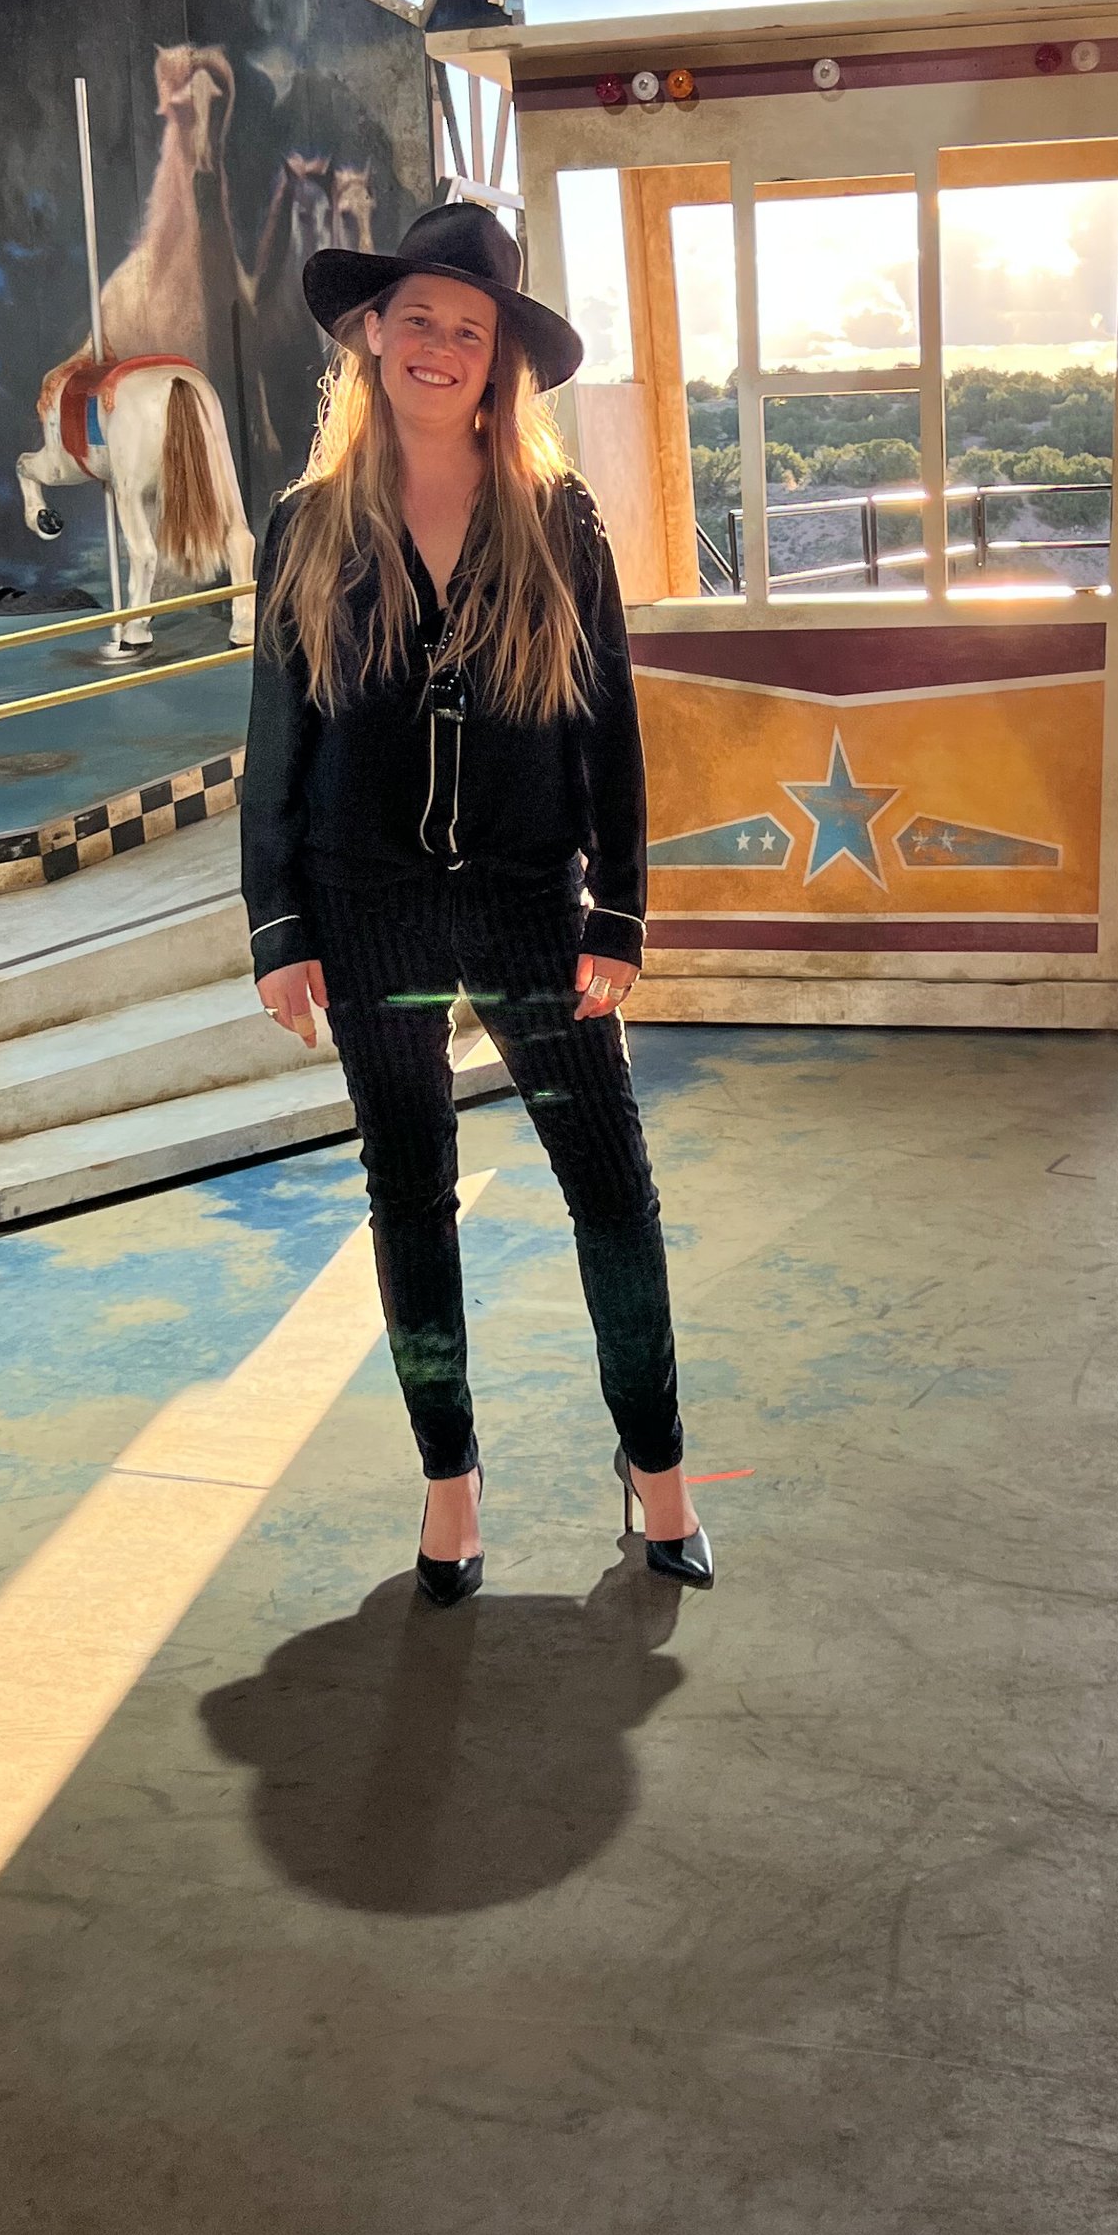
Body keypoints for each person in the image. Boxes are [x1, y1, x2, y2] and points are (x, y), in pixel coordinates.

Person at [241, 201, 711, 1607]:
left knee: (610, 1186)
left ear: (500, 359)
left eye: (470, 327)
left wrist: (618, 909)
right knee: (410, 1197)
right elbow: (277, 736)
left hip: (526, 902)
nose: (441, 346)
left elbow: (608, 724)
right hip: (365, 906)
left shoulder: (557, 520)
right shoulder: (308, 524)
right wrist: (279, 923)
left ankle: (657, 1465)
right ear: (373, 335)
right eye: (419, 319)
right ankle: (450, 1479)